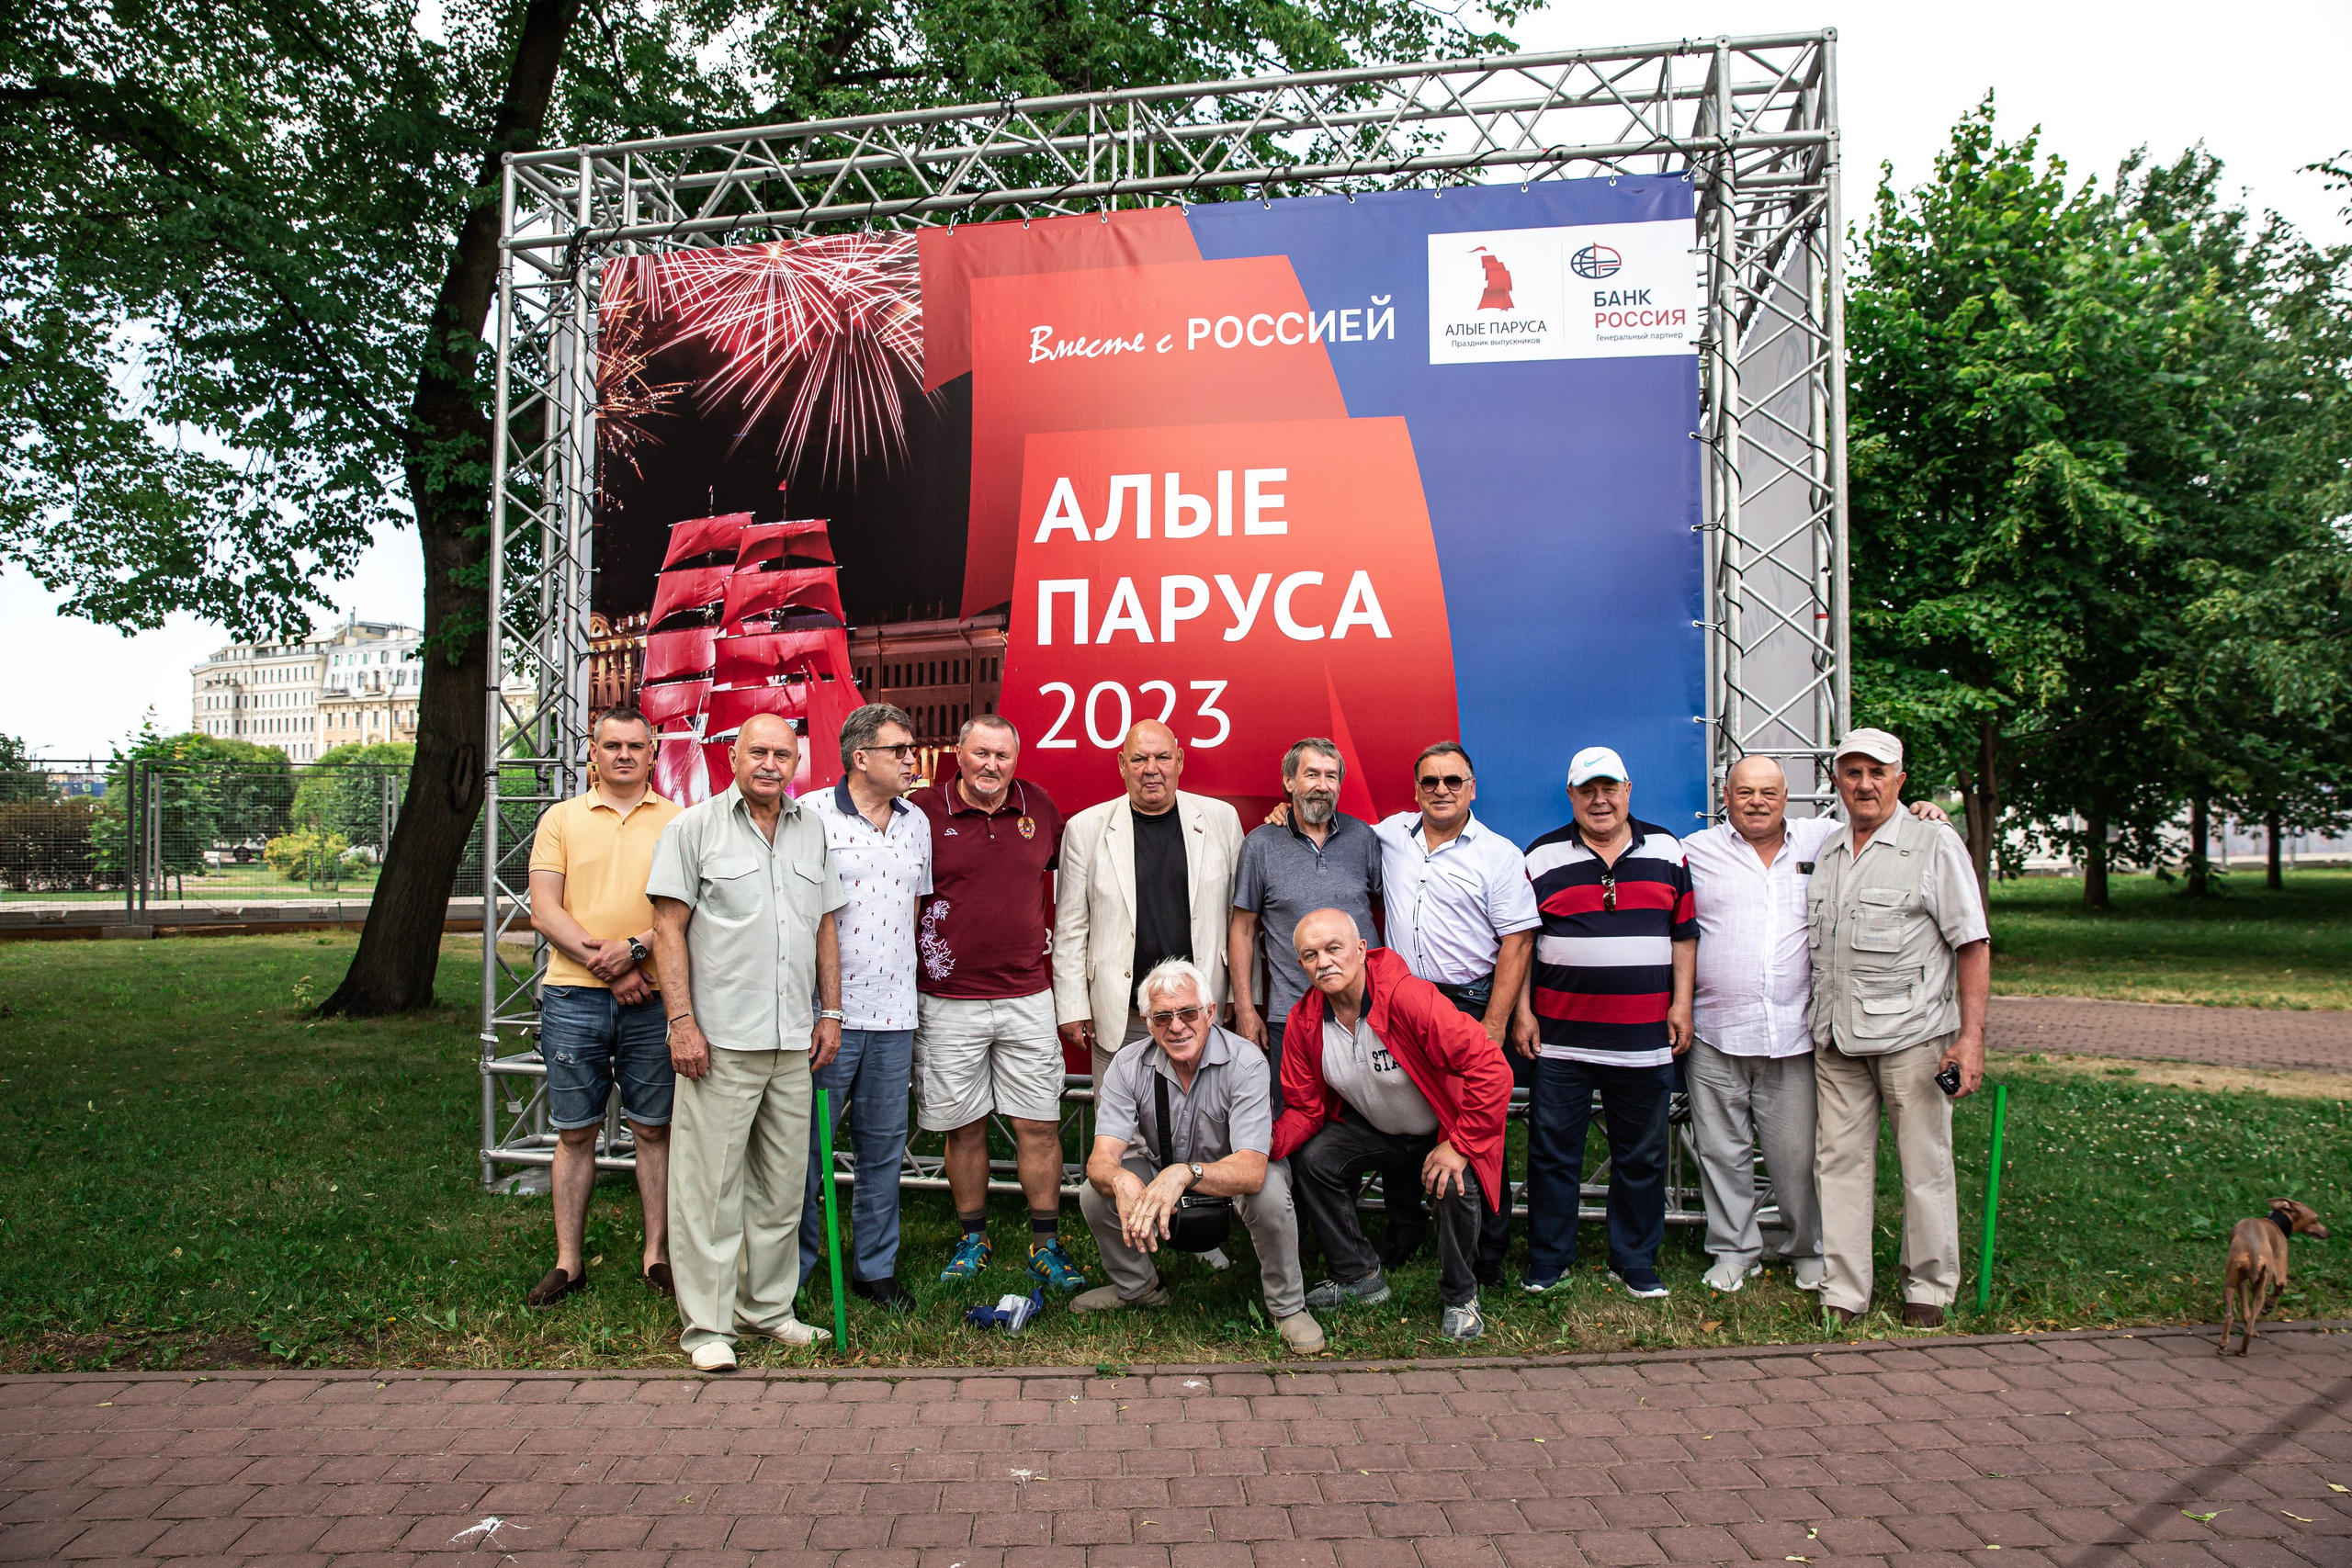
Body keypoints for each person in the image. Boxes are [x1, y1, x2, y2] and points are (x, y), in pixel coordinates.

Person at [1683, 757, 1951, 1295]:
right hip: (1714, 1030)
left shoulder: (1828, 839)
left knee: (1799, 1157)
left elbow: (1886, 823)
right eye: (1744, 792)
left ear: (1789, 797)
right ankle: (1734, 1252)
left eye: (1769, 792)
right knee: (1719, 1151)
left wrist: (1924, 813)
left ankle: (1807, 1248)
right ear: (1725, 798)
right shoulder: (1694, 851)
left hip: (1796, 1034)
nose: (1756, 801)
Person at [648, 713, 848, 1372]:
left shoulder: (811, 828)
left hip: (795, 1038)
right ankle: (708, 1324)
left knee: (783, 1185)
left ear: (797, 762)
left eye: (782, 754)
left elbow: (823, 924)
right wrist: (681, 1021)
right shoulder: (692, 827)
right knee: (709, 1186)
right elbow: (667, 930)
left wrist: (832, 1010)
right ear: (732, 756)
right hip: (720, 1040)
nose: (770, 763)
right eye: (757, 751)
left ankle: (767, 1310)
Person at [1806, 728, 1990, 1329]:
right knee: (1838, 1164)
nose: (1865, 783)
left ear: (1900, 780)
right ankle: (1845, 1289)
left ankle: (1929, 1288)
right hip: (1836, 1039)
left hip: (1914, 1038)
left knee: (1925, 1164)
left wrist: (1970, 1037)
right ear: (1837, 781)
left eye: (1877, 772)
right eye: (1853, 772)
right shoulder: (1831, 850)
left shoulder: (1933, 842)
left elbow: (1972, 942)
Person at [1272, 909, 1513, 1341]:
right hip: (1378, 1129)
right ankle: (1359, 1277)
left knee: (1453, 1180)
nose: (1323, 962)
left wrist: (1460, 1144)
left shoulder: (1408, 997)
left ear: (1362, 950)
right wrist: (1258, 1147)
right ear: (1300, 965)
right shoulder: (1304, 1021)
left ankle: (1462, 1295)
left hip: (1441, 1129)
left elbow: (1490, 1067)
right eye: (1310, 955)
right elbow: (1305, 1111)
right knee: (1316, 1158)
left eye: (1333, 948)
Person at [909, 716, 1086, 1292]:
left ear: (1017, 758)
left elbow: (1076, 877)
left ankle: (1046, 1243)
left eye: (1003, 756)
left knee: (1039, 1123)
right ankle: (973, 1238)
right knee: (964, 1127)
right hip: (947, 999)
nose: (992, 765)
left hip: (1027, 996)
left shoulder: (1041, 808)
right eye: (981, 753)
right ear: (958, 753)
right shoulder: (922, 813)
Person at [1513, 745, 1696, 1301]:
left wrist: (1681, 1004)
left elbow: (1684, 934)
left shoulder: (1667, 849)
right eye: (1587, 790)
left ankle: (1634, 1259)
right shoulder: (1540, 857)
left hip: (1644, 1037)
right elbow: (1522, 942)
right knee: (1550, 1152)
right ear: (1571, 796)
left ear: (1628, 790)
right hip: (1561, 1036)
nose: (1600, 799)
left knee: (1641, 1154)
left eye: (1609, 787)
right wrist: (1522, 1011)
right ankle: (1549, 1258)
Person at [1073, 958, 1325, 1354]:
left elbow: (1252, 1169)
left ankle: (1288, 1306)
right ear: (1147, 1020)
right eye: (1162, 1017)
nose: (1176, 1026)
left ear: (1210, 1013)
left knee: (1270, 1191)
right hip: (1163, 1170)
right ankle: (1138, 1289)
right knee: (1094, 1191)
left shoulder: (1246, 1062)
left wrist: (1184, 1174)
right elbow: (1102, 1157)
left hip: (1235, 1172)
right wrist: (1119, 1178)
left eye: (1188, 1012)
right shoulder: (1127, 1063)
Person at [523, 705, 682, 1308]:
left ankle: (657, 1255)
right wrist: (611, 967)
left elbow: (683, 911)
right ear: (592, 751)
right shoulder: (561, 819)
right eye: (611, 744)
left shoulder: (679, 821)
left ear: (653, 751)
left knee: (653, 1128)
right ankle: (568, 1262)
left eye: (634, 745)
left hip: (653, 997)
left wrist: (636, 951)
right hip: (573, 996)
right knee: (575, 1131)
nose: (623, 754)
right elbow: (546, 910)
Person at [1372, 741, 1539, 1285]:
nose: (1441, 790)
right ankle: (1405, 1229)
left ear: (1472, 788)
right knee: (1401, 1120)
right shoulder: (1390, 836)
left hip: (1467, 1001)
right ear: (1415, 788)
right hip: (1400, 1000)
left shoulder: (1499, 854)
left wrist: (1494, 1023)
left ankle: (1487, 1251)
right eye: (1430, 782)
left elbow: (1517, 941)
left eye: (1452, 781)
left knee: (1477, 1125)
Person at [797, 703, 930, 1314]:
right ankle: (794, 1268)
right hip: (829, 1014)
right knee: (803, 1149)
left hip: (895, 1014)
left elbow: (911, 912)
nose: (911, 758)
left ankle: (874, 1270)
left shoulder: (916, 822)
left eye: (911, 747)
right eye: (899, 749)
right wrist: (821, 1005)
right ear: (861, 757)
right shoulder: (811, 817)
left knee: (882, 1148)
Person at [1053, 721, 1244, 1086]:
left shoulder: (1222, 820)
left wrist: (1237, 991)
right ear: (1122, 765)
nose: (1151, 769)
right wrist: (1073, 1007)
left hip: (1198, 1012)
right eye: (1139, 759)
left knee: (1202, 1126)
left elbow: (1240, 919)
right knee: (1122, 1135)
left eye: (1162, 757)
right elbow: (1071, 929)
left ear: (1180, 760)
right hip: (1121, 1016)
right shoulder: (1085, 829)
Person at [1228, 739, 1384, 1116]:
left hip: (1367, 1012)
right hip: (1293, 1017)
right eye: (1311, 774)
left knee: (1372, 1123)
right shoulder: (1260, 844)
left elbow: (1382, 909)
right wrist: (1247, 1011)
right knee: (1296, 1123)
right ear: (1289, 782)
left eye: (1331, 776)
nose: (1322, 784)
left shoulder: (1363, 838)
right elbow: (1242, 930)